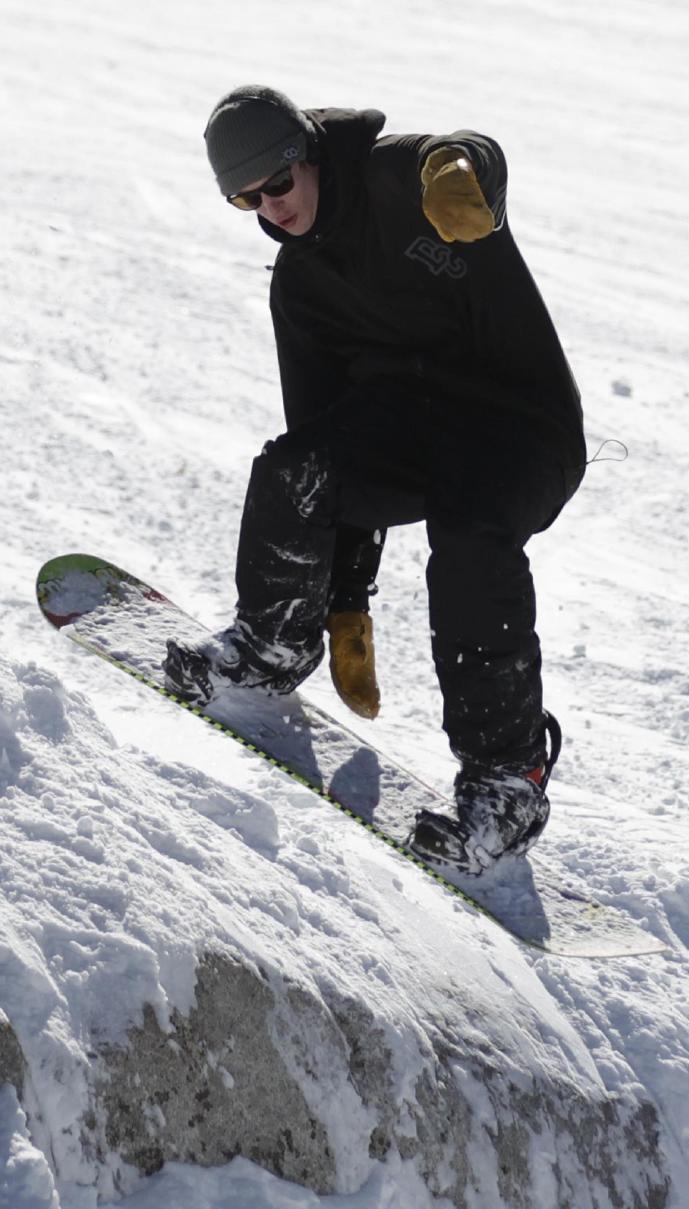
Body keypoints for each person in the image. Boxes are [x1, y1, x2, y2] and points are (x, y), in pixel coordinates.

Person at [164, 84, 586, 876]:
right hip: (417, 431)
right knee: (294, 470)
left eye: (278, 184)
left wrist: (463, 172)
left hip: (522, 427)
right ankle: (270, 645)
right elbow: (329, 442)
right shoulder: (300, 286)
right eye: (245, 199)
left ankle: (509, 781)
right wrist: (346, 601)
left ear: (309, 155)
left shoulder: (399, 178)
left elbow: (465, 151)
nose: (271, 208)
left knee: (469, 537)